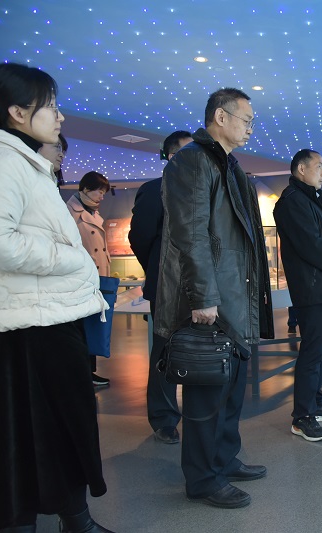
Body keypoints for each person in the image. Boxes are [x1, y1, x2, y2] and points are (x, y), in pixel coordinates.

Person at [0, 62, 113, 533]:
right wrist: (70, 259)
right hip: (26, 325)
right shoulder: (0, 161)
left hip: (45, 316)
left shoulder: (22, 162)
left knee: (61, 427)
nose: (60, 117)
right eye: (50, 106)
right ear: (17, 112)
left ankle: (74, 517)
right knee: (28, 434)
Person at [154, 88, 273, 508]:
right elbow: (191, 234)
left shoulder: (230, 164)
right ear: (220, 117)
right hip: (211, 299)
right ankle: (203, 478)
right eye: (246, 119)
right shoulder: (192, 161)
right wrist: (203, 296)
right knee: (207, 394)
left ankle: (223, 458)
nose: (251, 128)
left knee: (231, 389)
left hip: (233, 296)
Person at [273, 149, 322, 442]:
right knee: (311, 352)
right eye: (319, 166)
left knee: (321, 351)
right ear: (301, 169)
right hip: (311, 289)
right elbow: (312, 245)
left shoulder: (312, 200)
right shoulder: (292, 201)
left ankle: (315, 403)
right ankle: (302, 417)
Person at [128, 130, 192, 445]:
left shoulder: (203, 190)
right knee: (165, 350)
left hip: (200, 287)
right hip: (167, 287)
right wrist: (157, 268)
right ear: (171, 156)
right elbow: (140, 238)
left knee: (199, 350)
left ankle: (198, 414)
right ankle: (164, 418)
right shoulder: (154, 190)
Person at [66, 170, 113, 387]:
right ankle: (81, 372)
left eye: (104, 193)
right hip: (80, 279)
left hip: (96, 278)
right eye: (99, 192)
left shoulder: (93, 213)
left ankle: (89, 371)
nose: (102, 197)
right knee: (81, 327)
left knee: (93, 325)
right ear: (85, 189)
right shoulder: (69, 213)